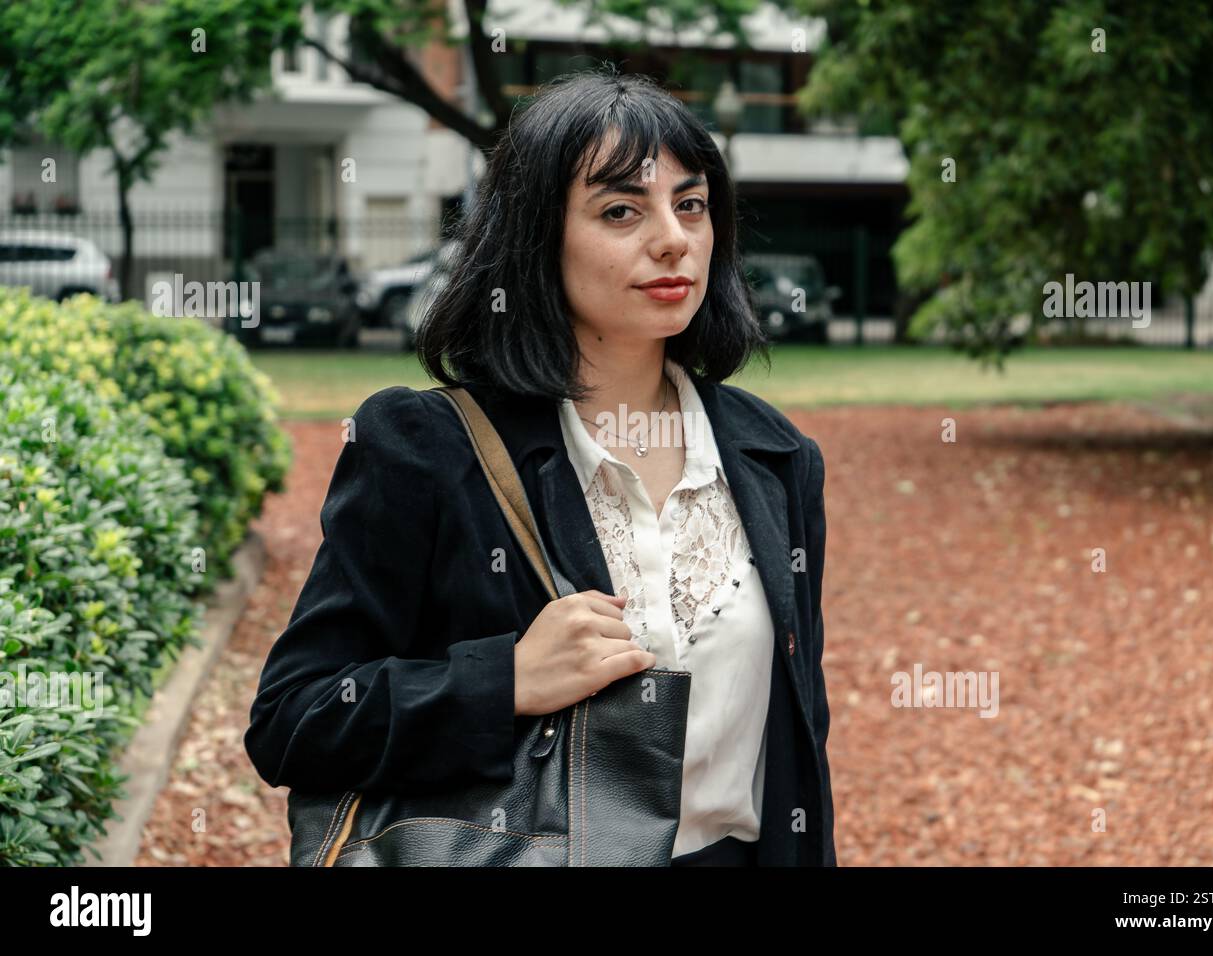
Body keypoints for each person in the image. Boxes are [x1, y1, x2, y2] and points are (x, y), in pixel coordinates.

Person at [244, 68, 835, 867]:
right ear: (535, 237)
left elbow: (799, 750)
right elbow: (292, 721)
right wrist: (505, 682)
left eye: (690, 204)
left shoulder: (774, 459)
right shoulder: (426, 449)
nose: (673, 238)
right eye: (621, 210)